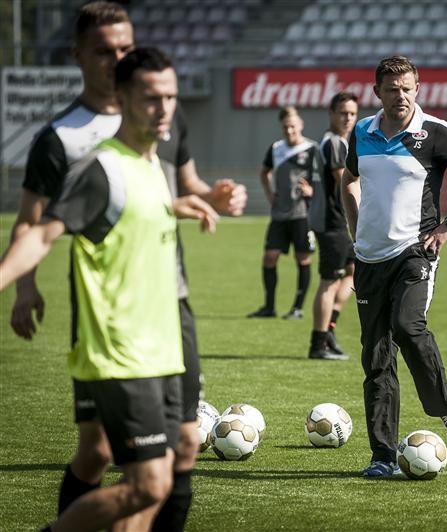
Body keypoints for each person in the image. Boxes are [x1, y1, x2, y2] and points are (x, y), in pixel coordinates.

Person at [8, 3, 246, 529]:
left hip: (167, 308)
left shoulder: (155, 127)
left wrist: (205, 198)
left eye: (125, 48)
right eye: (105, 51)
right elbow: (37, 226)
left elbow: (169, 190)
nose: (118, 58)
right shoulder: (73, 145)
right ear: (80, 58)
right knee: (109, 460)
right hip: (113, 319)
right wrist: (19, 285)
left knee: (172, 455)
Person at [341, 56, 447, 477]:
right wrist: (357, 231)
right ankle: (382, 456)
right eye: (393, 90)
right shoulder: (361, 132)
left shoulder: (436, 134)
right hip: (369, 259)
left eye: (408, 88)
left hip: (414, 252)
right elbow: (348, 180)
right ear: (378, 93)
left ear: (418, 88)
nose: (402, 96)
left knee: (408, 327)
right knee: (376, 360)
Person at [248, 106, 318, 320]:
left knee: (302, 258)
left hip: (302, 214)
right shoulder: (276, 148)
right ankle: (269, 307)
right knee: (269, 257)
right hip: (279, 214)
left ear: (301, 125)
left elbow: (326, 181)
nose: (289, 131)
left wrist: (312, 191)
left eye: (293, 126)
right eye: (286, 127)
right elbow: (264, 173)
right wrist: (270, 194)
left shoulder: (313, 149)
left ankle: (297, 308)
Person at [307, 92, 359, 361]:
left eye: (352, 113)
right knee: (329, 281)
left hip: (335, 221)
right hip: (334, 222)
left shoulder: (331, 142)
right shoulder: (335, 144)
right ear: (331, 114)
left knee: (353, 271)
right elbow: (345, 183)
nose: (348, 118)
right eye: (343, 113)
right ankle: (318, 343)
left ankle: (329, 330)